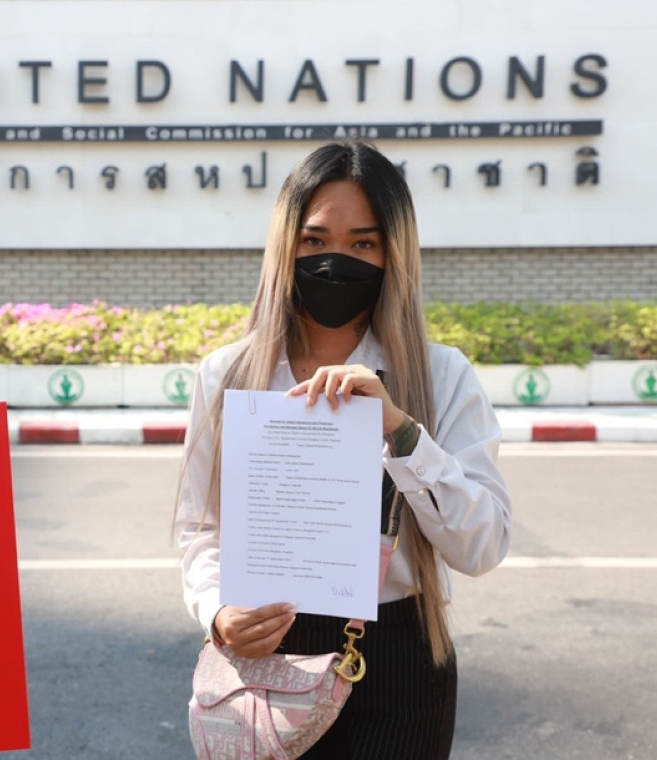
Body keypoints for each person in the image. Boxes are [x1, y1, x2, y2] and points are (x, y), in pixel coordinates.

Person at [175, 141, 511, 759]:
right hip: (266, 650)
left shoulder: (440, 376)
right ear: (285, 246)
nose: (336, 261)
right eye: (314, 240)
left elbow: (482, 546)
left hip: (401, 662)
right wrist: (219, 612)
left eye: (363, 244)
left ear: (393, 253)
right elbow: (200, 529)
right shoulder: (230, 375)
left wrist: (401, 432)